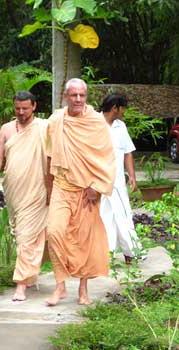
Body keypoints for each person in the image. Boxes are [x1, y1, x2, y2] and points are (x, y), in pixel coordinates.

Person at [45, 78, 116, 306]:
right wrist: (48, 188)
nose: (77, 99)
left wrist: (97, 187)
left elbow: (107, 158)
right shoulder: (56, 121)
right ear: (66, 96)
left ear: (86, 97)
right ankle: (60, 286)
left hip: (87, 191)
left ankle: (83, 291)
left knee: (85, 240)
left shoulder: (96, 122)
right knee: (54, 232)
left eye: (81, 95)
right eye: (73, 95)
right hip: (62, 186)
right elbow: (49, 155)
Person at [0, 90, 48, 301]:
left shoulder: (44, 127)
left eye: (25, 108)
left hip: (37, 191)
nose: (21, 112)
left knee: (26, 236)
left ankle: (21, 286)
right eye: (17, 109)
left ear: (34, 106)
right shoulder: (6, 129)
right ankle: (30, 273)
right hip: (14, 192)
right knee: (21, 235)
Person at [100, 93, 144, 264]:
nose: (124, 112)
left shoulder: (121, 126)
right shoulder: (93, 123)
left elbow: (127, 152)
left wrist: (132, 176)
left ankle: (131, 252)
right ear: (114, 108)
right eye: (123, 108)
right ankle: (107, 255)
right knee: (104, 217)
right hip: (97, 181)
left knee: (123, 214)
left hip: (117, 181)